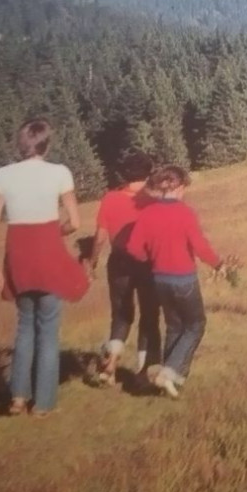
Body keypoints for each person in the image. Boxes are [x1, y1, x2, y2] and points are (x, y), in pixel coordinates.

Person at [0, 118, 90, 418]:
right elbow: (75, 222)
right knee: (48, 331)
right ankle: (42, 404)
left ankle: (17, 397)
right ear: (46, 143)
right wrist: (57, 232)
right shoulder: (59, 173)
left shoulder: (3, 174)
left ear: (22, 143)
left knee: (25, 327)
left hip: (18, 255)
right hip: (47, 252)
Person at [123, 166, 223, 399]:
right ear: (178, 186)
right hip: (184, 278)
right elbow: (199, 245)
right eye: (185, 187)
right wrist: (218, 264)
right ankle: (171, 371)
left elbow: (133, 249)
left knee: (175, 327)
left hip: (160, 279)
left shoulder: (147, 214)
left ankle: (168, 382)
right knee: (196, 324)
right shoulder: (184, 212)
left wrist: (151, 258)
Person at [88, 149, 161, 387]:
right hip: (147, 262)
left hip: (119, 261)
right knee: (149, 317)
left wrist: (93, 261)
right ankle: (143, 372)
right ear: (149, 172)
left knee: (121, 315)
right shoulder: (154, 199)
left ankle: (110, 366)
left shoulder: (110, 198)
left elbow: (100, 236)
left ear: (125, 174)